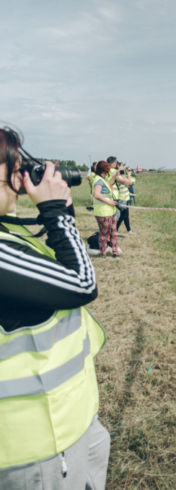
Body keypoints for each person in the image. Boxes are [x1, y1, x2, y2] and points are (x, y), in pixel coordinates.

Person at [0, 127, 109, 489]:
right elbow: (81, 284)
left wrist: (57, 213)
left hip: (70, 424)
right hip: (35, 450)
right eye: (15, 169)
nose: (20, 180)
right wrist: (56, 214)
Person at [93, 160, 119, 257]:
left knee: (114, 232)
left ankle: (115, 252)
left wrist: (116, 175)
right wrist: (110, 202)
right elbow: (96, 194)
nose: (110, 170)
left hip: (111, 211)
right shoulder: (98, 180)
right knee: (104, 233)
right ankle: (103, 253)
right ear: (104, 170)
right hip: (103, 212)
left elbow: (109, 183)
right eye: (108, 169)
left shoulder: (102, 179)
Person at [114, 161, 133, 234]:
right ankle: (115, 229)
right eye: (121, 166)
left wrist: (127, 175)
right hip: (122, 198)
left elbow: (129, 183)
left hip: (125, 198)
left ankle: (129, 230)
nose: (123, 167)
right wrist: (128, 175)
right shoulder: (118, 176)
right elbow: (129, 183)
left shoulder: (121, 175)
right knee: (123, 215)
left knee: (126, 215)